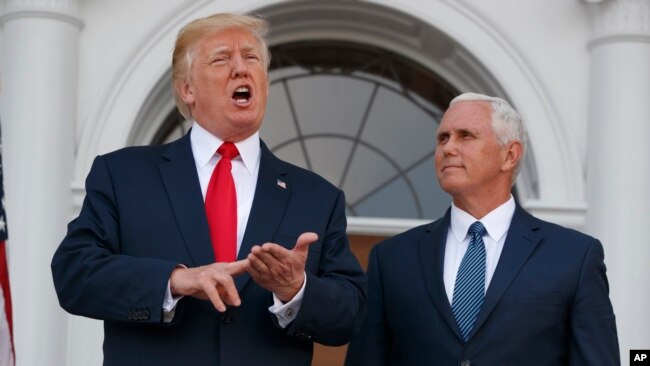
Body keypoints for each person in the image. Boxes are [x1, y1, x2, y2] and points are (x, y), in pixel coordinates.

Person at [51, 13, 366, 366]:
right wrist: (175, 280)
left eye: (252, 58)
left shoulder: (317, 197)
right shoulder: (123, 174)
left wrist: (296, 289)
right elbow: (74, 272)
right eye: (221, 59)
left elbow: (352, 314)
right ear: (187, 89)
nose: (241, 69)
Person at [345, 92, 619, 365]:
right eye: (443, 138)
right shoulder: (392, 258)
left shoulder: (574, 256)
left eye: (465, 135)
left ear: (509, 155)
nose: (448, 148)